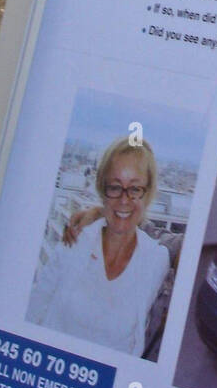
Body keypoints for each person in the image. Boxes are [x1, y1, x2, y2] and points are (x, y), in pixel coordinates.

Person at [27, 137, 170, 359]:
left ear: (148, 192)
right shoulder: (76, 239)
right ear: (102, 189)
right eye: (115, 187)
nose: (124, 199)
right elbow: (34, 307)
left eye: (135, 189)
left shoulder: (156, 259)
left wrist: (102, 212)